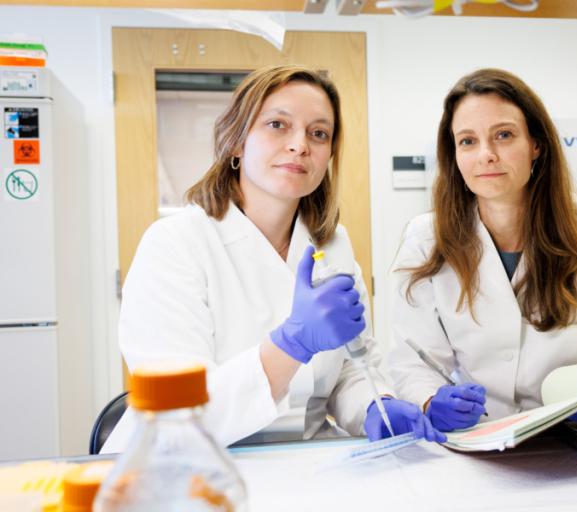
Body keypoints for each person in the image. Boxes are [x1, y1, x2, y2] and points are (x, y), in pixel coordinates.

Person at [102, 65, 443, 452]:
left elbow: (352, 364)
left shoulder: (332, 244)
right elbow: (176, 411)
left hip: (308, 461)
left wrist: (375, 405)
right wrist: (290, 345)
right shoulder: (175, 243)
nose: (300, 145)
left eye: (318, 133)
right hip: (199, 466)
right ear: (236, 141)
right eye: (278, 125)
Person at [388, 68, 577, 437]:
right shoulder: (425, 240)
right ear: (454, 154)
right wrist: (430, 401)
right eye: (467, 141)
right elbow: (414, 360)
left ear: (536, 145)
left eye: (504, 135)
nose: (486, 155)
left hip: (573, 435)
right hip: (475, 437)